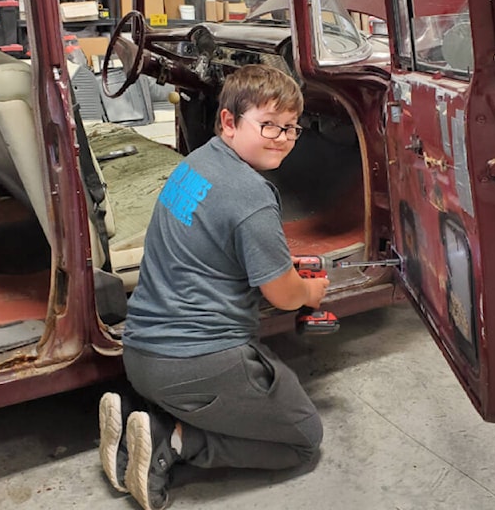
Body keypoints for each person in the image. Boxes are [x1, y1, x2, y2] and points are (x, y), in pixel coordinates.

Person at [98, 64, 330, 510]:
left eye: (290, 129)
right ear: (228, 121)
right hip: (193, 361)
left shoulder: (196, 164)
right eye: (268, 125)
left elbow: (212, 244)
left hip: (142, 351)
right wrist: (310, 292)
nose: (281, 138)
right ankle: (175, 441)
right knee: (304, 440)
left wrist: (276, 264)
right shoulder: (251, 197)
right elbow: (282, 296)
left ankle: (138, 419)